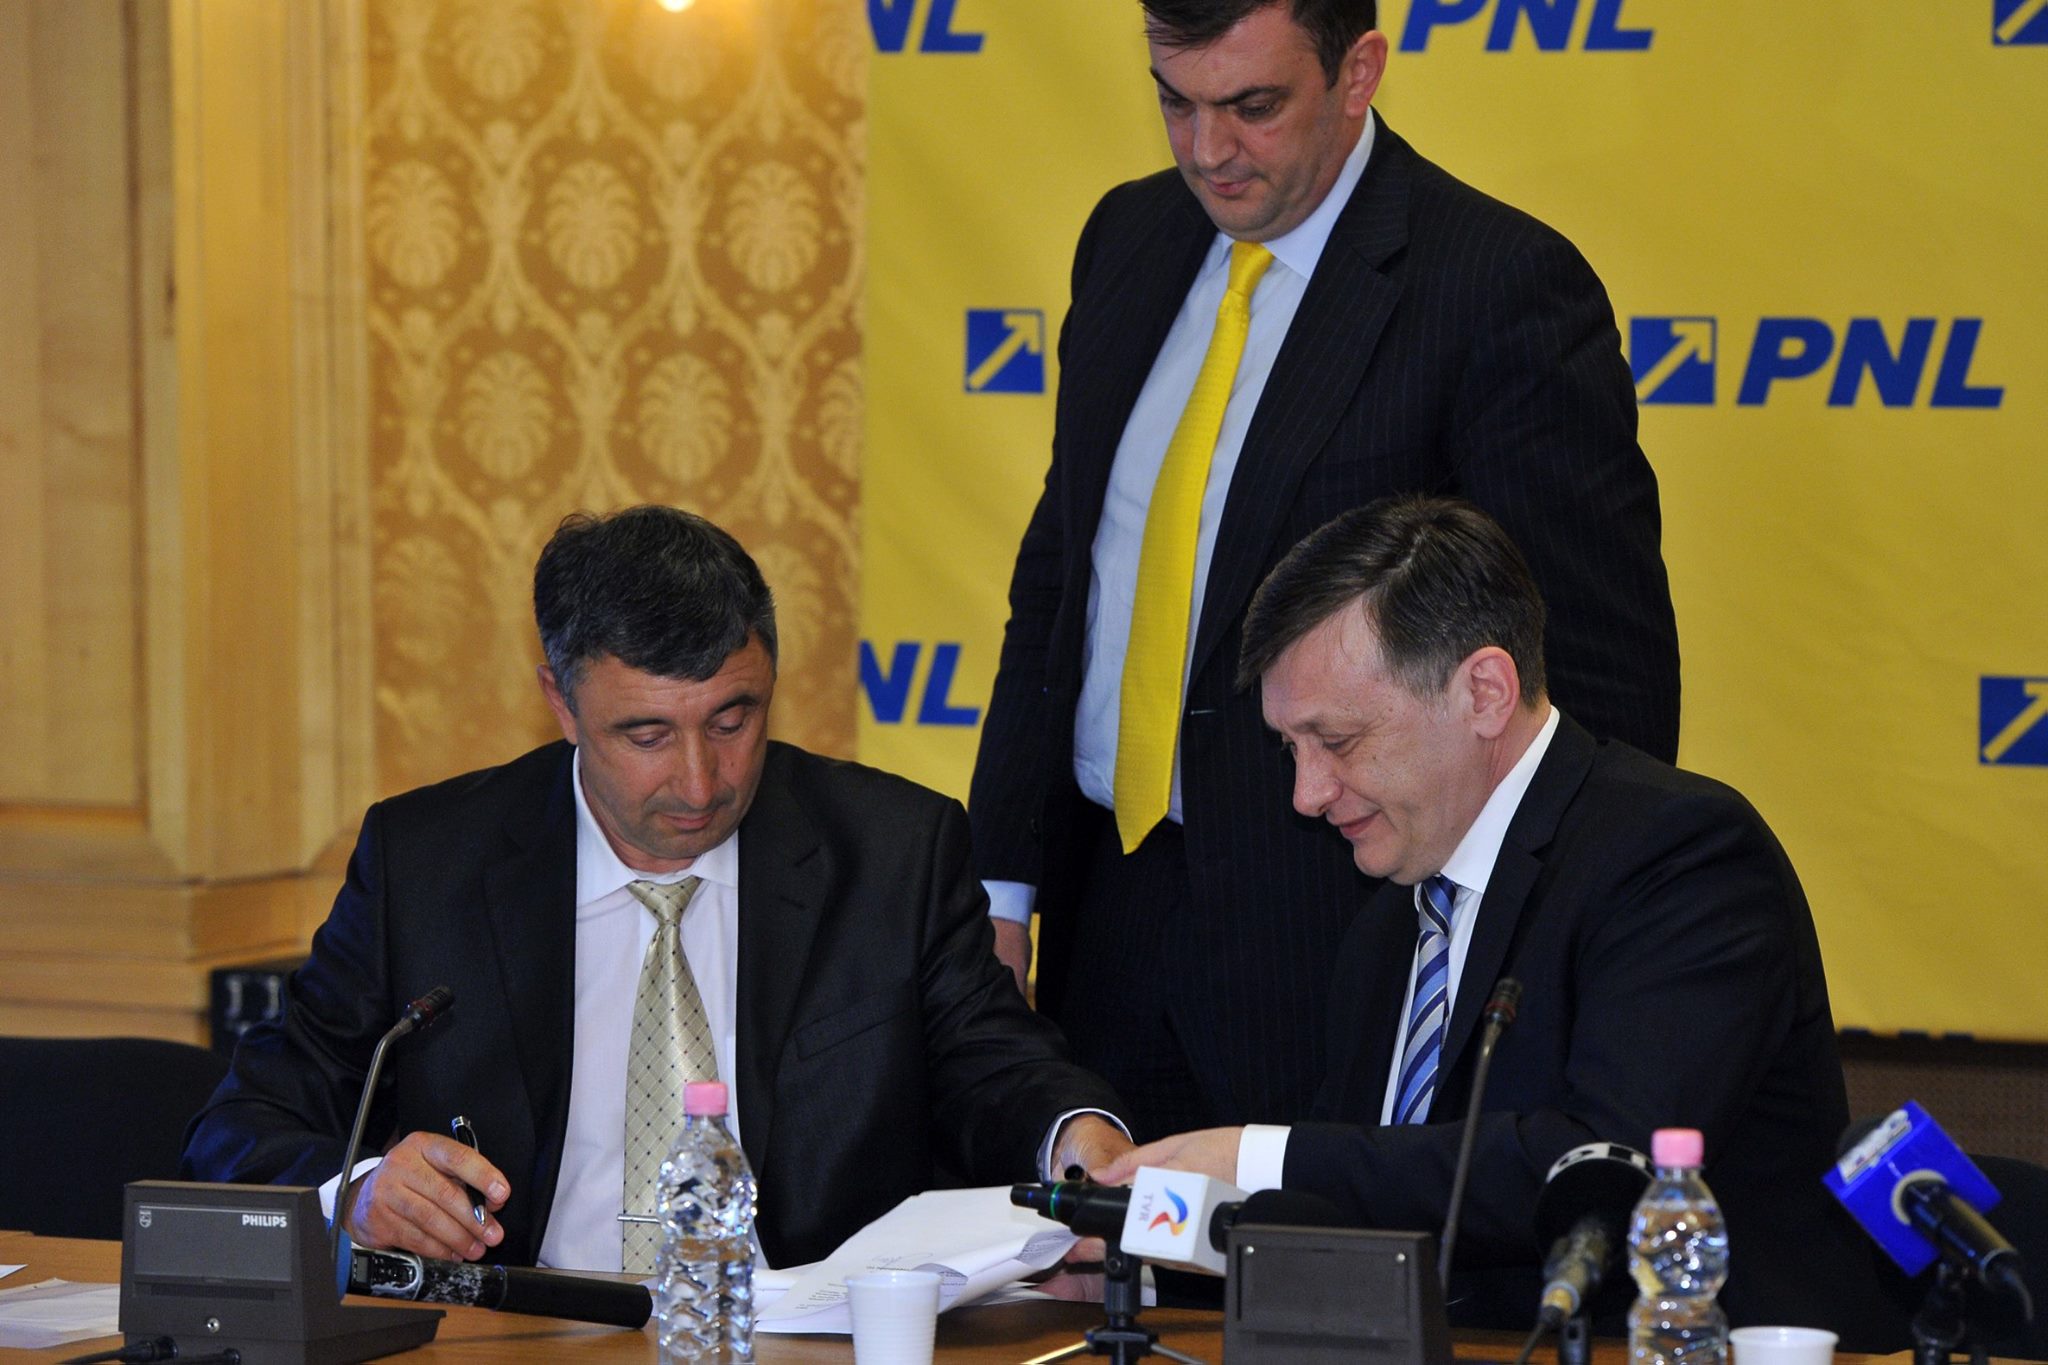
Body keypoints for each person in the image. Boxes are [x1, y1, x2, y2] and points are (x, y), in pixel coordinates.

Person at [968, 0, 1681, 1140]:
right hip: (1108, 912)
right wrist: (999, 886)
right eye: (1175, 102)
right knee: (1096, 1248)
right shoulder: (1128, 237)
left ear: (1358, 71)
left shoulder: (1497, 285)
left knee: (1322, 1256)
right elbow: (1065, 577)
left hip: (1358, 937)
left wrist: (1539, 952)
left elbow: (1599, 672)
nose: (1207, 149)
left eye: (1252, 105)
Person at [184, 506, 1129, 1273]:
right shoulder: (428, 864)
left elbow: (996, 1067)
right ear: (560, 703)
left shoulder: (892, 852)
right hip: (524, 1337)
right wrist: (356, 1191)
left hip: (805, 1336)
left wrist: (1075, 1136)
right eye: (646, 735)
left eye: (732, 719)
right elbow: (243, 1124)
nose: (700, 779)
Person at [1098, 495, 1890, 1336]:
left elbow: (1599, 1166)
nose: (1307, 793)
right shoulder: (1387, 924)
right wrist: (1166, 1242)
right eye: (1291, 748)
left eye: (1338, 741)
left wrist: (1260, 1157)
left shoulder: (1679, 854)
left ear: (1483, 692)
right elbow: (1369, 1204)